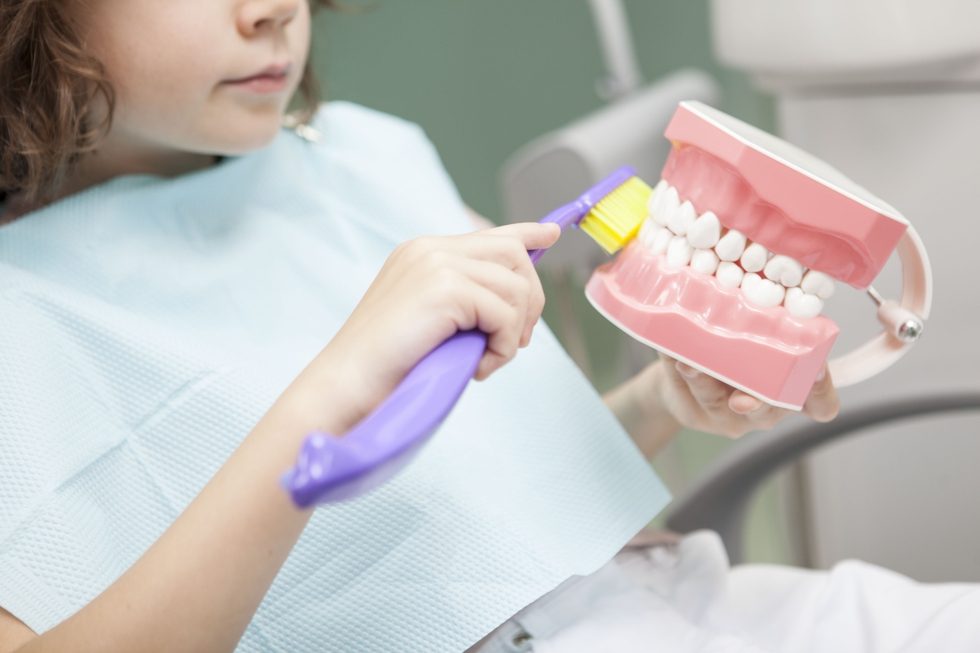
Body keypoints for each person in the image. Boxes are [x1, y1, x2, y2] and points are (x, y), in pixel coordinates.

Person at [0, 1, 839, 651]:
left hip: (688, 600)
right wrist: (332, 389)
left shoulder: (362, 154)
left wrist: (665, 400)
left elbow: (492, 512)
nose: (272, 11)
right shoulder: (24, 311)